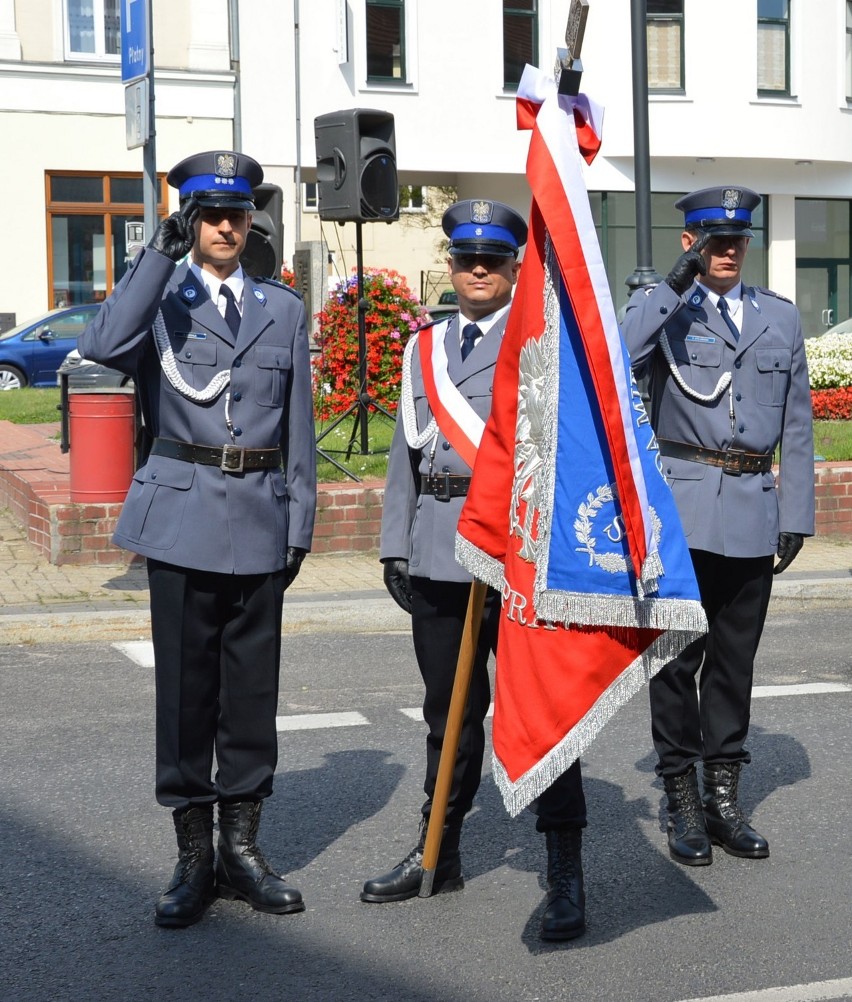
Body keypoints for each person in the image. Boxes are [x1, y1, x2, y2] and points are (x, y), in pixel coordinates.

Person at [78, 150, 317, 927]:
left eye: (236, 213)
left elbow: (299, 427)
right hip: (181, 519)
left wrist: (300, 520)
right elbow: (105, 347)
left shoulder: (281, 308)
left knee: (251, 699)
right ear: (190, 218)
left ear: (254, 220)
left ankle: (242, 849)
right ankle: (192, 857)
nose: (224, 226)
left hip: (258, 517)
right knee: (186, 700)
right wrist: (158, 250)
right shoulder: (163, 296)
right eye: (209, 213)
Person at [361, 199, 588, 941]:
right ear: (451, 266)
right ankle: (440, 850)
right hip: (436, 549)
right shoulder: (420, 347)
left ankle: (564, 870)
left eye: (493, 260)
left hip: (517, 556)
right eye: (466, 259)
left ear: (515, 269)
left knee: (545, 713)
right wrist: (396, 543)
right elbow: (404, 457)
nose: (479, 270)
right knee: (446, 715)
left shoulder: (542, 346)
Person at [621, 186, 814, 867]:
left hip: (753, 508)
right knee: (676, 661)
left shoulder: (779, 318)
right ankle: (682, 801)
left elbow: (796, 423)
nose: (725, 250)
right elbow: (619, 356)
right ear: (690, 243)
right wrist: (673, 285)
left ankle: (724, 799)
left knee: (734, 665)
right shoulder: (666, 309)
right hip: (682, 509)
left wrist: (795, 515)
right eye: (711, 240)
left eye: (735, 240)